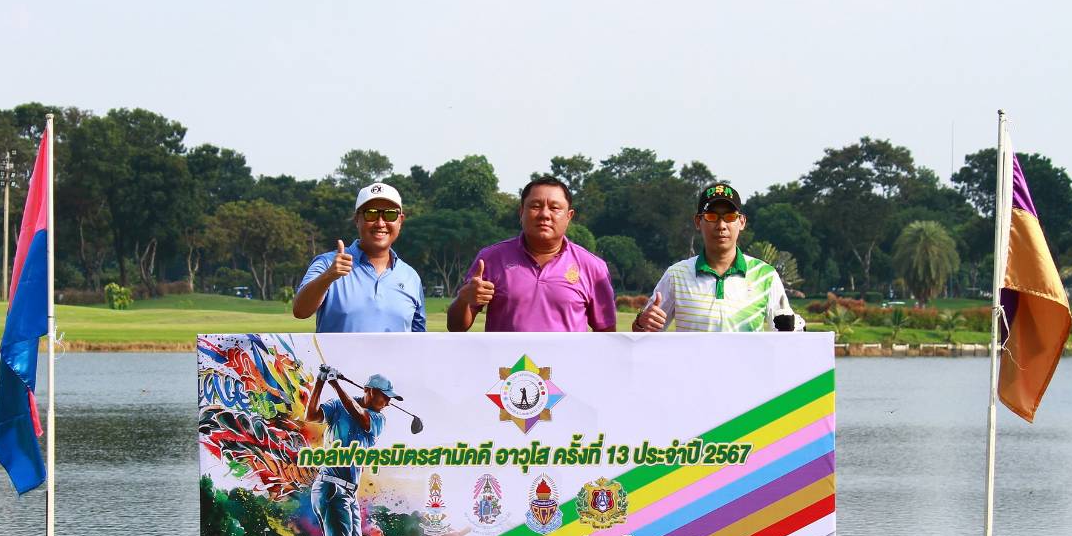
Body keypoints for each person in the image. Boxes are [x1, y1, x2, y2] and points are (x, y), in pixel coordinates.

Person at [283, 366, 396, 536]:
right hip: (330, 488)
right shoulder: (337, 405)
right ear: (369, 391)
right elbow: (311, 415)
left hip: (348, 494)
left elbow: (361, 419)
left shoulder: (377, 419)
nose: (388, 402)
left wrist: (335, 384)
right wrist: (321, 382)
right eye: (385, 396)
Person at [447, 175, 615, 332]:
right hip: (508, 356)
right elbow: (455, 327)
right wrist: (463, 299)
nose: (544, 215)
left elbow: (607, 335)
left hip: (567, 356)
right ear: (521, 213)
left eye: (555, 208)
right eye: (535, 206)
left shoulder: (592, 267)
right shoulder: (491, 259)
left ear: (569, 216)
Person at [633, 181, 805, 334]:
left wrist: (796, 327)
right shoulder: (676, 275)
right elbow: (643, 333)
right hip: (692, 363)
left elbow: (787, 335)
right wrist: (642, 322)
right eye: (711, 217)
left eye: (729, 217)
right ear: (698, 222)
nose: (721, 225)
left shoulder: (765, 275)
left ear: (742, 222)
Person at [293, 181, 425, 332]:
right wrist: (328, 277)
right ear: (357, 219)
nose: (380, 223)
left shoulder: (411, 276)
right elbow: (300, 311)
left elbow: (419, 338)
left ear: (400, 221)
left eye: (390, 214)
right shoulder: (328, 264)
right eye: (371, 214)